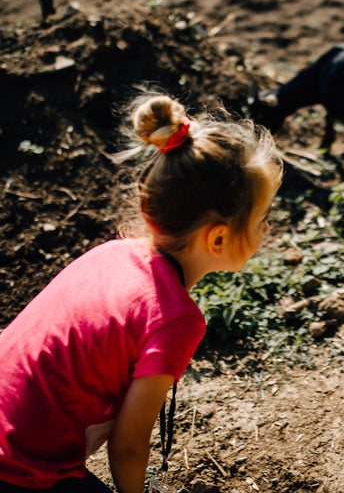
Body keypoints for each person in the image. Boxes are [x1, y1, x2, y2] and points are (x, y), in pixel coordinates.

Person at [0, 93, 284, 493]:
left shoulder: (113, 252)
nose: (267, 230)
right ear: (219, 238)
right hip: (18, 468)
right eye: (262, 218)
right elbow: (130, 447)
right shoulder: (175, 320)